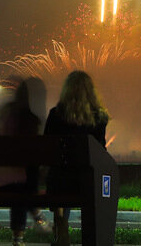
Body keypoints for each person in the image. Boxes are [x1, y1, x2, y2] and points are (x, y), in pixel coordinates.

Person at [44, 71, 109, 246]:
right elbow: (101, 152)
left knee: (59, 173)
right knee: (85, 176)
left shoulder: (55, 114)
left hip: (59, 182)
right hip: (86, 184)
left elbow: (47, 149)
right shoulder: (99, 117)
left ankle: (60, 221)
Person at [0, 79, 48, 245]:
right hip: (19, 184)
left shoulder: (2, 113)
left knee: (21, 184)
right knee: (24, 182)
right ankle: (35, 217)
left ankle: (25, 229)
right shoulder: (29, 120)